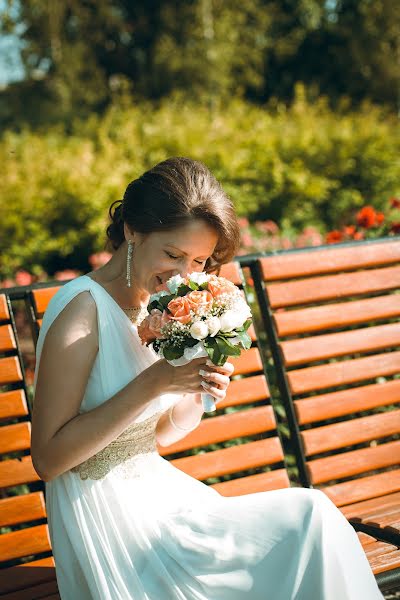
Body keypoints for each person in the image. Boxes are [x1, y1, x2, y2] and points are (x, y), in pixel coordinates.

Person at [31, 157, 384, 600]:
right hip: (111, 523)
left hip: (159, 500)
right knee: (309, 518)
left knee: (311, 524)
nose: (183, 275)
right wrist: (155, 383)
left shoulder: (153, 305)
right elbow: (48, 458)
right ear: (131, 231)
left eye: (197, 261)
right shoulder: (80, 310)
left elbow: (151, 436)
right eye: (173, 254)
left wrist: (191, 394)